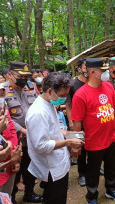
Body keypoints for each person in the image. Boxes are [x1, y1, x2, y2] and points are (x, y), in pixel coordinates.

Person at [71, 58, 115, 204]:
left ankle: (111, 190)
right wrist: (76, 143)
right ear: (93, 72)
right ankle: (92, 195)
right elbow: (77, 122)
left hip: (111, 137)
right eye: (103, 71)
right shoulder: (81, 94)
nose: (106, 73)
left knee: (111, 166)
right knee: (93, 170)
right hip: (94, 141)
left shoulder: (108, 87)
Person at [25, 72, 84, 204]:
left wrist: (71, 134)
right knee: (54, 198)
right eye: (62, 95)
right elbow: (41, 145)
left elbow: (54, 130)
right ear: (50, 90)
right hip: (51, 167)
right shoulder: (38, 112)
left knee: (60, 197)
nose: (64, 99)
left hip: (58, 162)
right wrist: (69, 142)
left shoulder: (49, 104)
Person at [3, 62, 42, 204]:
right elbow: (6, 118)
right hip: (14, 139)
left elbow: (39, 107)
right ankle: (10, 197)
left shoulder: (31, 87)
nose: (24, 79)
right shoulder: (3, 91)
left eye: (26, 76)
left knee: (30, 166)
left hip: (32, 138)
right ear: (9, 75)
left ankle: (29, 192)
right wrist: (23, 130)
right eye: (20, 76)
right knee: (14, 169)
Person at [65, 58, 88, 187]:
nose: (87, 70)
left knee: (93, 147)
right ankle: (82, 173)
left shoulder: (93, 82)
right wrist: (71, 122)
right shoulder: (73, 84)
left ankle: (93, 168)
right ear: (79, 69)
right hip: (77, 122)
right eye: (85, 67)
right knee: (80, 148)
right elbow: (68, 105)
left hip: (91, 122)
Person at [0, 85, 22, 195]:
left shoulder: (3, 106)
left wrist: (14, 157)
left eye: (1, 92)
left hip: (9, 163)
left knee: (7, 196)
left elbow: (12, 130)